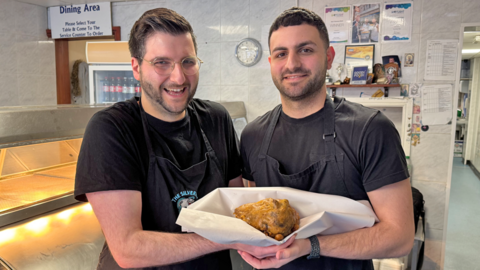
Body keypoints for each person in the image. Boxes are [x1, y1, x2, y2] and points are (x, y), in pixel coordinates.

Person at [74, 8, 291, 270]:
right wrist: (225, 240)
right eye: (161, 62)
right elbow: (128, 249)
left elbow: (237, 206)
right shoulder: (113, 129)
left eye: (188, 61)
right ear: (136, 67)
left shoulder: (216, 119)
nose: (178, 77)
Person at [239, 7, 414, 269]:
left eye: (306, 50)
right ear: (271, 63)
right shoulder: (252, 135)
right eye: (281, 54)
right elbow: (254, 219)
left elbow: (399, 237)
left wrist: (310, 245)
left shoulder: (370, 130)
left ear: (329, 57)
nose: (292, 63)